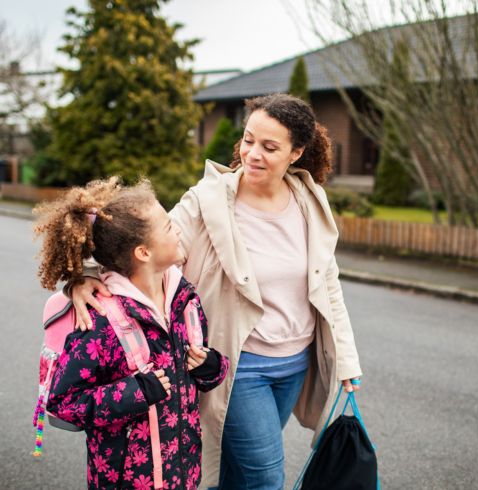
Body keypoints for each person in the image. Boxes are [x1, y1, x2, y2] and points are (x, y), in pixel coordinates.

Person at [71, 94, 363, 490]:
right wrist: (86, 274)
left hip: (295, 363)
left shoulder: (310, 200)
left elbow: (327, 282)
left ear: (296, 153)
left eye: (269, 147)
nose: (252, 154)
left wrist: (345, 358)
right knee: (264, 477)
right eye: (248, 140)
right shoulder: (207, 202)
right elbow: (143, 247)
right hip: (239, 366)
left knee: (237, 473)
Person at [34, 178, 229, 489]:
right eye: (168, 226)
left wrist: (212, 367)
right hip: (125, 480)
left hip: (184, 473)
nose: (177, 229)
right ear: (143, 252)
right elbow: (63, 402)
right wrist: (135, 392)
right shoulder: (99, 320)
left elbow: (204, 366)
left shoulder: (185, 298)